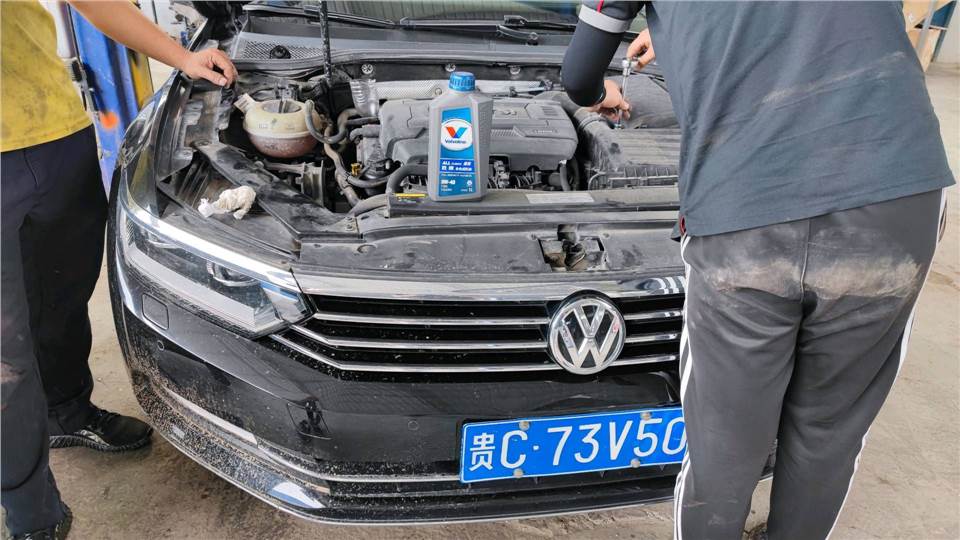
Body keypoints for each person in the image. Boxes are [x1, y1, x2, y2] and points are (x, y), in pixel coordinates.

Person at [562, 2, 953, 539]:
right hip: (894, 193)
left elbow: (579, 74)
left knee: (724, 441)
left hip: (746, 209)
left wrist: (598, 94)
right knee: (829, 431)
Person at [1, 2, 237, 538]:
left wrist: (181, 58)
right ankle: (32, 514)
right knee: (5, 358)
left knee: (63, 296)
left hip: (56, 133)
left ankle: (65, 411)